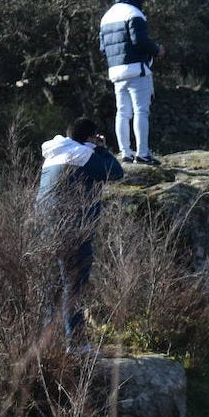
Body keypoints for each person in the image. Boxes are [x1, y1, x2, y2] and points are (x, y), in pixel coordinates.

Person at [36, 117, 125, 351]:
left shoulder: (53, 154)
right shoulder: (82, 154)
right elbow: (115, 172)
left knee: (52, 287)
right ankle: (75, 344)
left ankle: (48, 344)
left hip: (45, 230)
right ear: (90, 137)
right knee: (74, 286)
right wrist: (101, 149)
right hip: (74, 231)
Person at [100, 0, 164, 165]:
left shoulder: (106, 16)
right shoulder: (134, 13)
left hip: (116, 72)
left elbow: (103, 48)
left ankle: (125, 153)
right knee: (141, 111)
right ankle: (143, 153)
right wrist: (157, 49)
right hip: (137, 70)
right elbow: (140, 41)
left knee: (122, 112)